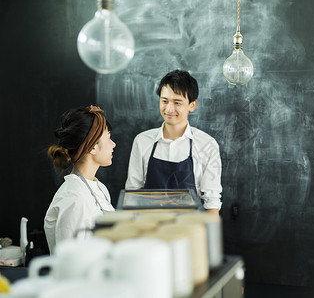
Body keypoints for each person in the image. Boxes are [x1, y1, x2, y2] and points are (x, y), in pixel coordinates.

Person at [125, 70, 222, 215]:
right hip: (149, 227)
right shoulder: (142, 141)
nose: (169, 109)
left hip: (190, 229)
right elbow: (132, 194)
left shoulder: (207, 144)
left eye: (177, 103)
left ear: (192, 105)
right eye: (164, 101)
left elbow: (212, 202)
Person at [44, 105, 116, 254]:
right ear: (92, 147)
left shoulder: (99, 187)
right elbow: (71, 261)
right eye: (108, 138)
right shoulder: (74, 199)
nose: (113, 144)